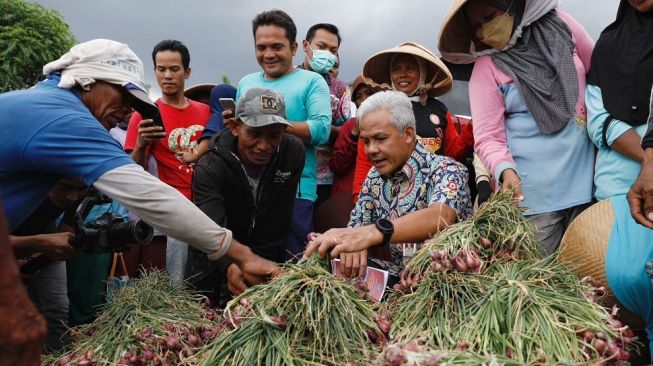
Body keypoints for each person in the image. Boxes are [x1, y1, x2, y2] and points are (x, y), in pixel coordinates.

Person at [0, 39, 280, 293]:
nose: (128, 111)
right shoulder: (64, 118)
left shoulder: (44, 102)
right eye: (125, 98)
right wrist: (244, 256)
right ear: (87, 81)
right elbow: (150, 195)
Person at [439, 0, 595, 255]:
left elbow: (597, 74)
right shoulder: (487, 68)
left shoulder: (563, 27)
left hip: (588, 183)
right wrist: (505, 171)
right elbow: (488, 137)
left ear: (512, 6)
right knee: (542, 281)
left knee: (593, 278)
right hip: (534, 196)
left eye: (489, 17)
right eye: (476, 26)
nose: (483, 31)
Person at [305, 91, 472, 278]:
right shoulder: (375, 178)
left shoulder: (447, 170)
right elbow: (357, 227)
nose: (371, 150)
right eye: (366, 141)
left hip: (451, 283)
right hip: (405, 280)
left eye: (380, 139)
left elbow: (441, 216)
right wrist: (350, 245)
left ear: (408, 134)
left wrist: (372, 233)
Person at [187, 88, 304, 305]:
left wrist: (258, 267)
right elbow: (210, 230)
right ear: (234, 127)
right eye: (254, 134)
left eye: (274, 135)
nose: (264, 146)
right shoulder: (211, 166)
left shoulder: (292, 154)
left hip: (263, 263)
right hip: (211, 264)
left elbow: (278, 220)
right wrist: (230, 267)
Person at [234, 10, 331, 258]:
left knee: (294, 268)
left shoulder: (312, 81)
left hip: (296, 190)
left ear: (294, 47)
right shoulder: (246, 82)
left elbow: (321, 130)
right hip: (248, 190)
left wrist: (270, 123)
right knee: (251, 265)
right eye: (261, 47)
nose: (268, 54)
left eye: (277, 46)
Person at [586, 0, 653, 358]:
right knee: (627, 284)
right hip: (618, 191)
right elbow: (598, 122)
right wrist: (650, 163)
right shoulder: (609, 43)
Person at [124, 39, 210, 280]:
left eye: (174, 69)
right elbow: (133, 169)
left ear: (187, 72)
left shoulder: (205, 112)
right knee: (176, 279)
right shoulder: (144, 114)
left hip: (207, 204)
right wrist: (141, 144)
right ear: (154, 72)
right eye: (161, 69)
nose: (167, 75)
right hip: (172, 210)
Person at [353, 42, 476, 202]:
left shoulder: (438, 109)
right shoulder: (380, 108)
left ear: (423, 73)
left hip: (434, 193)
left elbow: (451, 153)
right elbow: (365, 160)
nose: (402, 74)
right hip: (390, 197)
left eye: (410, 68)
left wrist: (474, 125)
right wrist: (360, 200)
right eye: (396, 69)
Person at [10, 178, 86, 350]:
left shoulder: (81, 190)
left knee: (57, 309)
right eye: (64, 187)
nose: (72, 197)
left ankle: (57, 355)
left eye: (80, 190)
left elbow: (66, 232)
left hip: (45, 241)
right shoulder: (14, 184)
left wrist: (36, 258)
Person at [298, 23, 353, 205]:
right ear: (306, 46)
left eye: (333, 50)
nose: (327, 54)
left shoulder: (341, 89)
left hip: (325, 179)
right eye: (321, 47)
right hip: (288, 173)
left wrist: (319, 128)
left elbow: (346, 132)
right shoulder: (289, 79)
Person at [330, 76, 379, 197]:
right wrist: (354, 134)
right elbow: (337, 166)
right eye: (358, 97)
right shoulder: (350, 126)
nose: (364, 100)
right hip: (348, 197)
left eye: (369, 93)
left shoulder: (392, 124)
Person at [183, 84, 239, 166]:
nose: (205, 108)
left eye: (209, 104)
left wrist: (195, 154)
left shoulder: (220, 118)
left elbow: (210, 137)